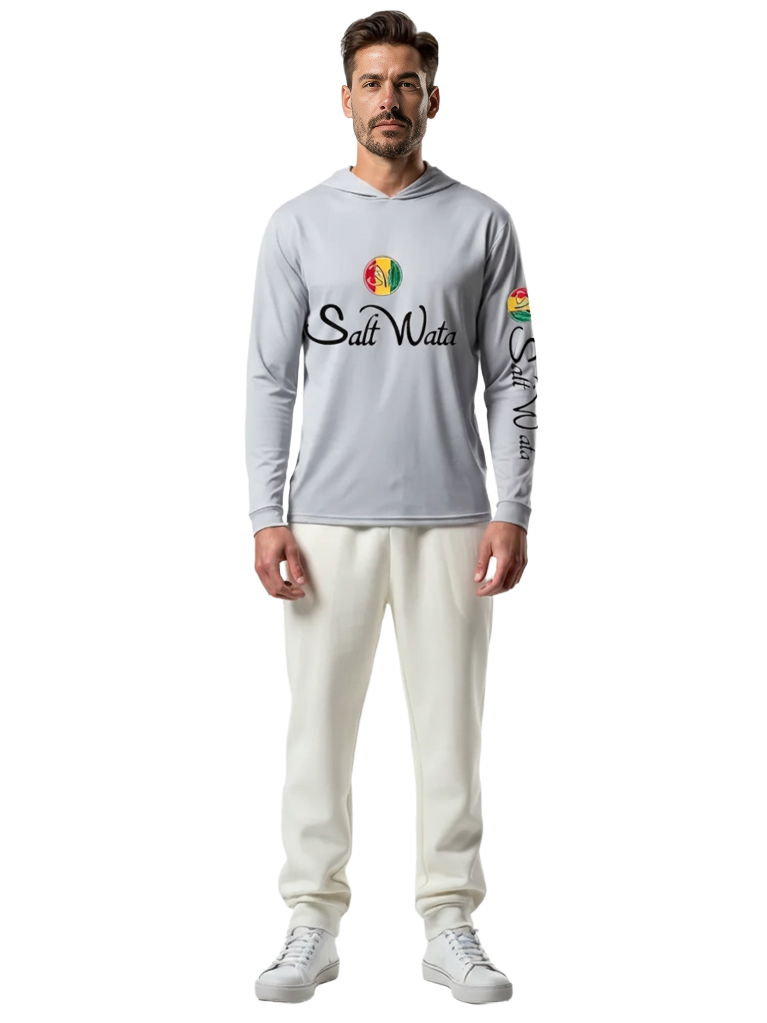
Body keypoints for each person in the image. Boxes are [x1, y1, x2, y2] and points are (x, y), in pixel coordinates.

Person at [246, 9, 537, 1006]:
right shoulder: (297, 224)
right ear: (345, 98)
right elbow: (269, 379)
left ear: (431, 98)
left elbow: (512, 374)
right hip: (325, 519)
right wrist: (265, 513)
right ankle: (310, 920)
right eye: (371, 82)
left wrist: (512, 505)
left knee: (450, 733)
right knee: (316, 734)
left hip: (452, 518)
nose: (388, 99)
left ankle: (448, 921)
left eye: (404, 82)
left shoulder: (481, 223)